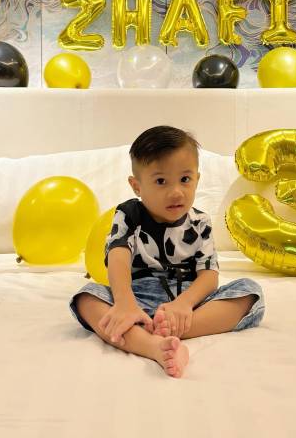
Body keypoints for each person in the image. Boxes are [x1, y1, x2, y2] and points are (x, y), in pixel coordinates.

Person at [69, 126, 264, 378]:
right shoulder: (129, 214)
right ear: (137, 186)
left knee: (249, 292)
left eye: (185, 179)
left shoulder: (200, 222)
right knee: (86, 298)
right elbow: (118, 255)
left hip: (189, 305)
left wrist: (183, 305)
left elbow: (209, 275)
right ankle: (153, 346)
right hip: (136, 299)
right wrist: (125, 302)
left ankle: (166, 330)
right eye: (161, 181)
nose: (176, 192)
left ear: (197, 179)